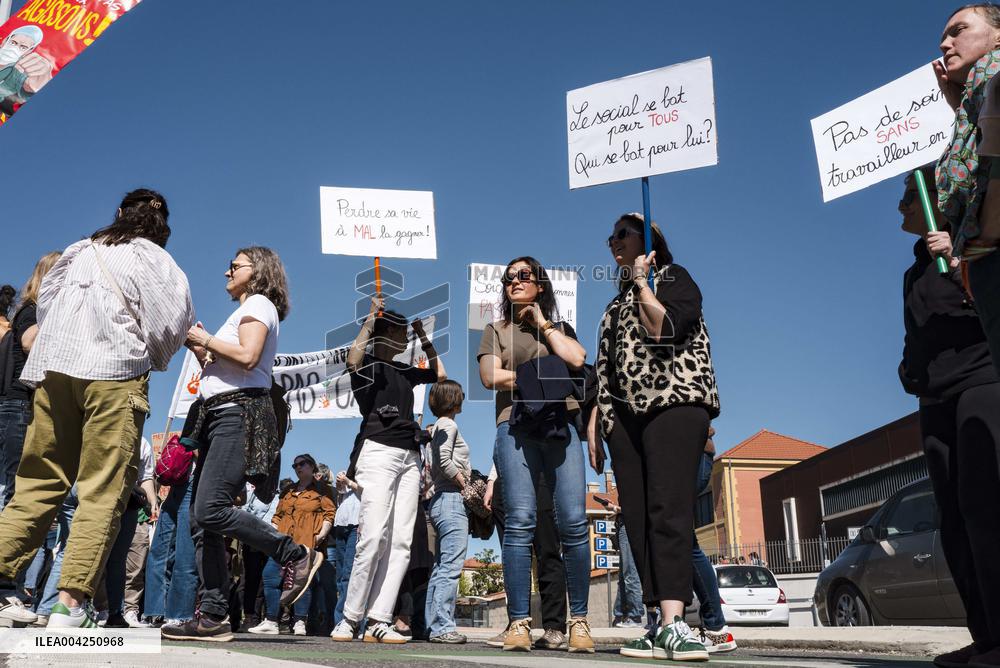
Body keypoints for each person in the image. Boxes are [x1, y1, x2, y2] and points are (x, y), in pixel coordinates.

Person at [0, 189, 194, 628]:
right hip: (114, 373)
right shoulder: (155, 259)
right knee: (100, 489)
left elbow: (45, 304)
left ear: (121, 213)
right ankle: (69, 605)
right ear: (160, 226)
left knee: (36, 483)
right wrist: (152, 356)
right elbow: (173, 320)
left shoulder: (78, 249)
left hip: (55, 371)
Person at [162, 246, 322, 642]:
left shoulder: (261, 304)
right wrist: (202, 350)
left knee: (211, 510)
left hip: (236, 415)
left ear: (258, 271)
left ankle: (294, 554)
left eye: (235, 266)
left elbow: (249, 357)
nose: (227, 271)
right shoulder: (244, 310)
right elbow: (231, 367)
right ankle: (214, 615)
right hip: (219, 413)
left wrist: (205, 338)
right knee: (202, 522)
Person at [589, 213, 720, 662]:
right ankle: (653, 620)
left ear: (650, 242)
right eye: (611, 237)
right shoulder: (612, 307)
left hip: (675, 401)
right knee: (640, 517)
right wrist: (597, 421)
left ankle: (676, 620)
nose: (613, 243)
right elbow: (603, 371)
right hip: (625, 418)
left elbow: (668, 329)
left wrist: (644, 282)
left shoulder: (674, 279)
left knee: (668, 508)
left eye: (622, 234)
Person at [899, 165, 1000, 668]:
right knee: (955, 518)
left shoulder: (971, 248)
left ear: (936, 201)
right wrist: (908, 370)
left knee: (985, 508)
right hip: (934, 401)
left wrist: (959, 260)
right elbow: (915, 337)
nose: (900, 207)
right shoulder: (912, 274)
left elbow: (988, 304)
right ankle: (983, 636)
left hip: (981, 385)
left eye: (907, 198)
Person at [478, 256, 593, 653]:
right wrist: (541, 376)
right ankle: (519, 623)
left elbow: (577, 360)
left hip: (562, 426)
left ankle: (578, 622)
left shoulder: (558, 328)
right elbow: (490, 377)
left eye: (523, 276)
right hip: (514, 425)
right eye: (508, 278)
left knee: (575, 523)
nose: (514, 282)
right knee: (521, 522)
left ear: (540, 285)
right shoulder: (496, 330)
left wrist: (543, 326)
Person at [330, 299, 444, 645]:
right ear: (383, 335)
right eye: (400, 331)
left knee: (401, 542)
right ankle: (350, 618)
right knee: (374, 535)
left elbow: (440, 375)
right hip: (377, 451)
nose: (404, 336)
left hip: (410, 455)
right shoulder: (367, 366)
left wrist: (425, 339)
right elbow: (351, 359)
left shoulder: (405, 371)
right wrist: (368, 320)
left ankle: (379, 619)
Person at [936, 5, 1000, 381]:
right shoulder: (979, 87)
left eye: (958, 30)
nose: (946, 43)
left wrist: (987, 234)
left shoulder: (993, 72)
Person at [483, 465, 569, 650]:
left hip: (539, 472)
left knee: (547, 550)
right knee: (512, 557)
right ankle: (517, 623)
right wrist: (491, 481)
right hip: (504, 479)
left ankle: (555, 627)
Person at [249, 454, 335, 636]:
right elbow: (277, 516)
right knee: (270, 577)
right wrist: (272, 535)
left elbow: (329, 514)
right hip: (282, 543)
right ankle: (271, 621)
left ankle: (300, 623)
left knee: (301, 583)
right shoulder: (288, 490)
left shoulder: (322, 490)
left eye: (302, 464)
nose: (298, 467)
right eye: (295, 465)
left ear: (312, 466)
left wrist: (320, 535)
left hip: (305, 543)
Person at [424, 380, 471, 644]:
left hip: (440, 500)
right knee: (451, 567)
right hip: (452, 500)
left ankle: (432, 624)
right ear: (454, 398)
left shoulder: (437, 427)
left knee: (441, 567)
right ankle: (443, 626)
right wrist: (466, 485)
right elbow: (444, 460)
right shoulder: (449, 425)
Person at [99, 436, 158, 628]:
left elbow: (146, 476)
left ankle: (130, 611)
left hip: (135, 513)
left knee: (134, 567)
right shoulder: (104, 428)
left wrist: (153, 501)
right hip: (102, 506)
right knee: (101, 562)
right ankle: (103, 609)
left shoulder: (142, 444)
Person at [691, 427, 736, 654]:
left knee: (683, 542)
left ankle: (716, 628)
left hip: (689, 453)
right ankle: (715, 627)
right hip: (688, 452)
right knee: (682, 542)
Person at [144, 469, 198, 627]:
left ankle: (180, 615)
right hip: (176, 483)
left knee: (185, 553)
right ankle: (156, 613)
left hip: (193, 482)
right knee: (158, 553)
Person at [240, 480, 278, 630]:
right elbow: (243, 511)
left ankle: (266, 618)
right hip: (251, 540)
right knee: (251, 579)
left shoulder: (277, 495)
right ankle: (250, 617)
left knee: (267, 580)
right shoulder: (251, 493)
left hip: (269, 540)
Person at [0, 25, 53, 112]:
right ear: (5, 40)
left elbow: (26, 91)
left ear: (29, 51)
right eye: (13, 43)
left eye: (23, 47)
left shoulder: (20, 72)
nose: (13, 49)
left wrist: (35, 87)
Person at [332, 470, 360, 627]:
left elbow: (367, 493)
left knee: (348, 575)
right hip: (341, 525)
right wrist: (340, 483)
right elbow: (341, 494)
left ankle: (344, 620)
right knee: (340, 576)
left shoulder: (369, 474)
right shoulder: (351, 474)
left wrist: (349, 482)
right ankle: (341, 620)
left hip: (357, 525)